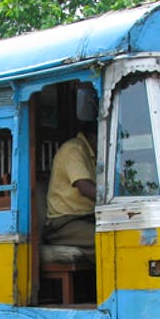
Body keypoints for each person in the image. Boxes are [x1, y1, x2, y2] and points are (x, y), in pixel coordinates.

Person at [44, 87, 98, 249]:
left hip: (86, 218)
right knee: (108, 240)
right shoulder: (74, 150)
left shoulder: (93, 155)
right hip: (64, 224)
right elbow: (84, 187)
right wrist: (110, 198)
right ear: (93, 135)